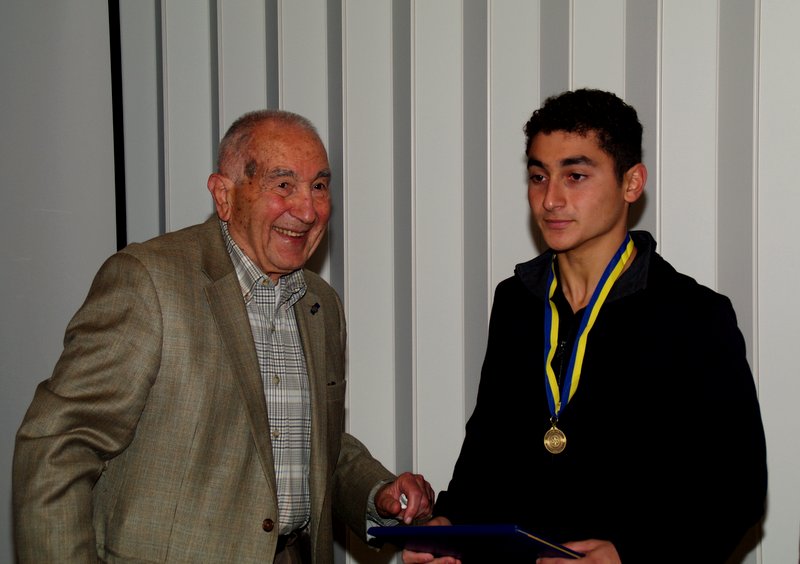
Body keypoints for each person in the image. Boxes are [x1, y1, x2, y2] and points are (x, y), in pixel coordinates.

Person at [13, 109, 434, 563]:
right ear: (224, 195)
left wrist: (377, 494)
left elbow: (308, 446)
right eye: (283, 184)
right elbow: (58, 447)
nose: (307, 210)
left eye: (318, 186)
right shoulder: (149, 282)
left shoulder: (321, 306)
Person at [402, 89, 767, 563]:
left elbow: (737, 489)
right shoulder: (516, 301)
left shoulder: (694, 315)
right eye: (539, 176)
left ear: (631, 183)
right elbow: (488, 454)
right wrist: (450, 526)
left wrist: (630, 555)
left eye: (575, 176)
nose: (551, 199)